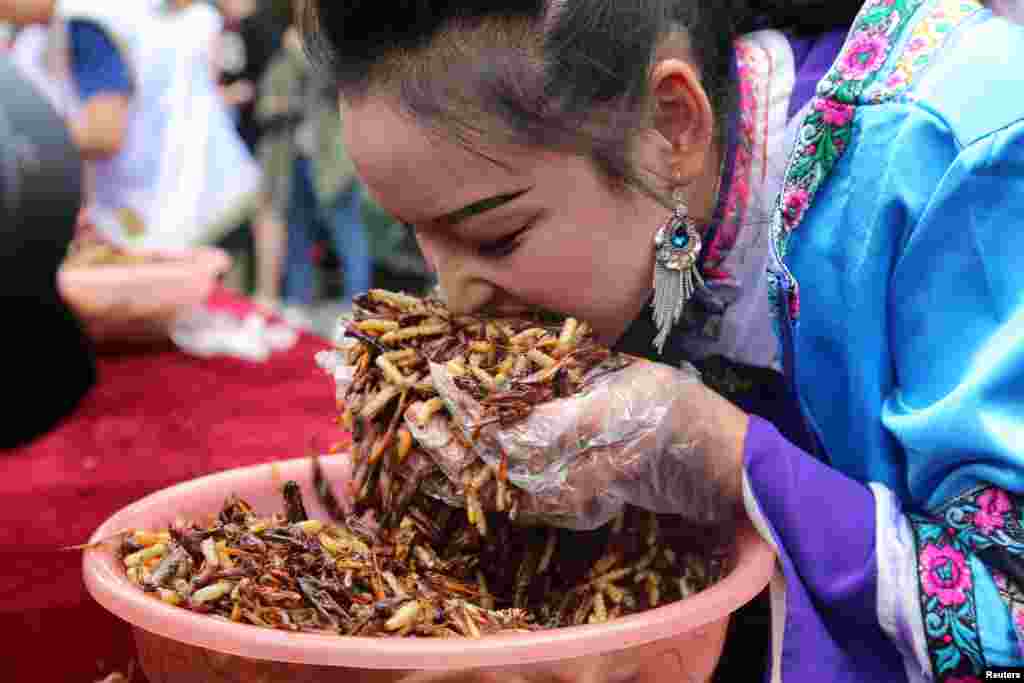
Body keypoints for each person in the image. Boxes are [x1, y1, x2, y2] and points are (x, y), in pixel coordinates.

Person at [302, 0, 1024, 681]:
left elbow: (1007, 640)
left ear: (673, 124)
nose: (453, 296)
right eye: (417, 236)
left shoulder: (967, 157)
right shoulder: (649, 227)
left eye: (496, 236)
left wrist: (722, 451)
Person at [3, 0, 260, 252]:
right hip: (192, 193)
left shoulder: (89, 20)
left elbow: (103, 134)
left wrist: (19, 142)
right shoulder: (58, 26)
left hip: (188, 201)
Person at [257, 25, 371, 308]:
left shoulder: (329, 50)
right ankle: (298, 302)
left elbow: (325, 86)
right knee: (298, 235)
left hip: (331, 163)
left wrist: (300, 55)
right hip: (292, 162)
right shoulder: (281, 57)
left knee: (348, 235)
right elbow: (265, 104)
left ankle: (358, 306)